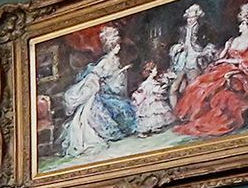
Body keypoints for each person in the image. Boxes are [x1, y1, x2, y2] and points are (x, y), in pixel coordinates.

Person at [174, 1, 248, 138]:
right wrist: (226, 50)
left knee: (225, 89)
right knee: (202, 84)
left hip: (243, 72)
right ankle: (196, 115)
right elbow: (220, 57)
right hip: (224, 68)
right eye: (240, 23)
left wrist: (231, 62)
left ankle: (220, 117)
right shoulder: (233, 40)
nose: (240, 27)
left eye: (243, 24)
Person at [57, 25, 136, 157]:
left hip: (107, 90)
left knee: (121, 106)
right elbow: (97, 77)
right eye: (116, 45)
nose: (119, 48)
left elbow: (115, 80)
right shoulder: (105, 61)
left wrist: (121, 72)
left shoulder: (115, 60)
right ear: (113, 47)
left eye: (118, 45)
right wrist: (102, 84)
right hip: (99, 91)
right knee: (99, 113)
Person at [132, 61, 176, 135]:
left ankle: (154, 128)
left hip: (153, 101)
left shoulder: (152, 81)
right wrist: (163, 86)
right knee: (150, 115)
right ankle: (145, 130)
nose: (156, 72)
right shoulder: (147, 83)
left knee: (156, 115)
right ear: (151, 72)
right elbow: (153, 92)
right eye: (155, 70)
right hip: (149, 103)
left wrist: (165, 84)